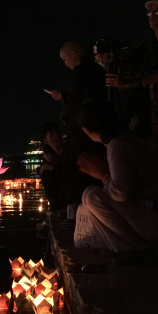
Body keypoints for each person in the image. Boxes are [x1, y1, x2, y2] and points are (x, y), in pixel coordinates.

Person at [73, 97, 158, 253]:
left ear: (87, 130)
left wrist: (102, 174)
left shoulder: (118, 146)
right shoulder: (128, 140)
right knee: (91, 195)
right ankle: (126, 246)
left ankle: (132, 248)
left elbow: (121, 193)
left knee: (91, 195)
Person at [106, 0, 158, 177]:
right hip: (146, 112)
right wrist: (110, 61)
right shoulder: (148, 43)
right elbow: (130, 64)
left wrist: (129, 83)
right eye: (150, 13)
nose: (152, 16)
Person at [45, 41, 106, 208]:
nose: (65, 64)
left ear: (73, 54)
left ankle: (76, 208)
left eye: (65, 59)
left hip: (83, 129)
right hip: (98, 125)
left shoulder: (81, 70)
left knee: (78, 169)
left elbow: (75, 100)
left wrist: (61, 96)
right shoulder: (96, 69)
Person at [38, 123, 64, 210]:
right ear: (45, 140)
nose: (57, 136)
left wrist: (51, 167)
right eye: (52, 134)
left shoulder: (70, 155)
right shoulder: (55, 159)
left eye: (57, 132)